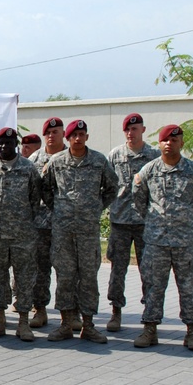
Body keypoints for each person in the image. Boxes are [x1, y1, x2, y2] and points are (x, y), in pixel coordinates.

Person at [132, 125, 193, 351]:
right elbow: (139, 201)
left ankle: (192, 332)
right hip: (156, 241)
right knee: (153, 287)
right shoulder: (148, 171)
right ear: (159, 144)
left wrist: (187, 221)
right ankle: (150, 330)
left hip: (185, 242)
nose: (170, 143)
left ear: (182, 143)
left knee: (188, 287)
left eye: (175, 139)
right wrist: (155, 222)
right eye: (165, 140)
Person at [42, 119, 117, 344]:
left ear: (86, 136)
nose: (77, 138)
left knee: (88, 278)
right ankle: (65, 324)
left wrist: (95, 207)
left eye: (81, 134)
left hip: (87, 231)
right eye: (74, 135)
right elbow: (45, 189)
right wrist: (59, 209)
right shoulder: (56, 162)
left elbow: (112, 187)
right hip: (63, 230)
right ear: (68, 138)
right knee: (65, 276)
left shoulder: (98, 161)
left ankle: (89, 325)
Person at [0, 128, 42, 341]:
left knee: (24, 277)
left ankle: (23, 322)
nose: (4, 146)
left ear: (16, 143)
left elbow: (35, 199)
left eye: (8, 142)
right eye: (0, 143)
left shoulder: (28, 168)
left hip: (23, 233)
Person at [105, 113, 160, 332]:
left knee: (149, 269)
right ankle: (116, 311)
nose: (131, 133)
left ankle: (149, 314)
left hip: (145, 222)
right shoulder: (115, 155)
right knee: (118, 269)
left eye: (135, 129)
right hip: (120, 221)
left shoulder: (153, 156)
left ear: (143, 130)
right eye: (127, 129)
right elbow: (107, 185)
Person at [29, 117, 66, 328]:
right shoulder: (34, 159)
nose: (52, 136)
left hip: (65, 225)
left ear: (63, 134)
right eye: (48, 133)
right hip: (40, 225)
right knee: (40, 270)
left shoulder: (73, 156)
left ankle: (68, 313)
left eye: (56, 132)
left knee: (67, 271)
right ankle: (40, 310)